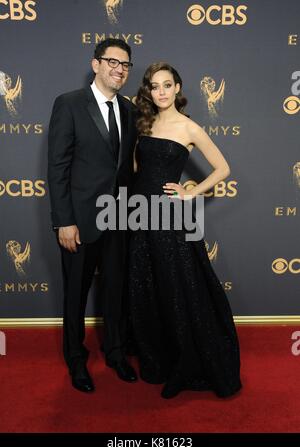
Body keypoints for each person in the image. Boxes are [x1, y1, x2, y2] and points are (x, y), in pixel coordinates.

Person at [128, 62, 242, 399]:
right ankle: (157, 360)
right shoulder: (144, 123)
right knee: (146, 286)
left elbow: (223, 169)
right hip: (137, 214)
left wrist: (189, 191)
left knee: (177, 288)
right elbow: (136, 169)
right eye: (154, 86)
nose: (160, 91)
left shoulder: (189, 127)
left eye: (167, 85)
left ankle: (186, 364)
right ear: (149, 90)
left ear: (177, 87)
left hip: (168, 218)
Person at [48, 38, 138, 393]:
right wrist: (63, 221)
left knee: (115, 290)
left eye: (126, 64)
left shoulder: (129, 109)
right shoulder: (69, 104)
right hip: (80, 221)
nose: (119, 69)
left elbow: (126, 168)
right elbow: (57, 167)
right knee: (75, 293)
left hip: (118, 220)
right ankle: (75, 359)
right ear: (96, 64)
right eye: (112, 62)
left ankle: (116, 353)